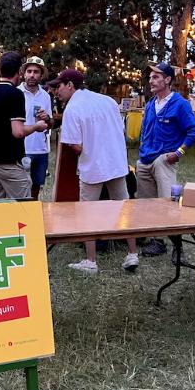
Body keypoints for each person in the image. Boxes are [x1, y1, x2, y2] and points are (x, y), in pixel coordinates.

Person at [51, 69, 139, 274]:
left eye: (59, 86)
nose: (56, 91)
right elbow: (120, 131)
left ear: (70, 85)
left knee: (87, 213)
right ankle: (132, 253)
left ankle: (91, 261)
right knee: (125, 208)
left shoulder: (72, 108)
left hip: (93, 166)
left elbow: (76, 146)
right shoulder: (108, 101)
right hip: (116, 163)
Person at [137, 62, 195, 260]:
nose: (151, 80)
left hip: (164, 159)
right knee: (148, 204)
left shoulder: (180, 104)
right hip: (145, 159)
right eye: (150, 77)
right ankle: (158, 242)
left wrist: (179, 152)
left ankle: (178, 247)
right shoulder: (150, 104)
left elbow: (194, 131)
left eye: (156, 77)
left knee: (169, 203)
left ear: (167, 80)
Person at [0, 51, 48, 199]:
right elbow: (18, 132)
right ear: (19, 71)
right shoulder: (15, 94)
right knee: (23, 208)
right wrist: (36, 126)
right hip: (9, 162)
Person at [18, 56, 53, 200]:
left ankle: (33, 212)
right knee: (20, 187)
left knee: (36, 186)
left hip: (40, 148)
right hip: (21, 148)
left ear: (41, 75)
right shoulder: (16, 93)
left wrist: (47, 119)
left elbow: (50, 124)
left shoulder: (45, 96)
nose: (32, 75)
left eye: (36, 72)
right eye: (29, 71)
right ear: (24, 73)